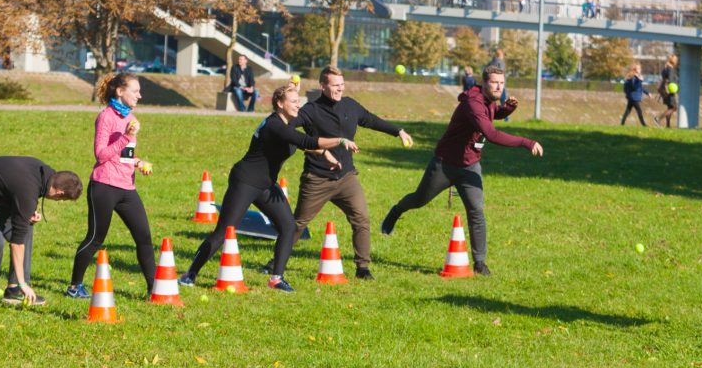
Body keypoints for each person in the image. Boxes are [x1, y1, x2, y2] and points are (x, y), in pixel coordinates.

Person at [178, 86, 355, 292]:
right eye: (293, 101)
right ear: (280, 104)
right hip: (245, 181)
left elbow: (300, 144)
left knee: (288, 227)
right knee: (224, 231)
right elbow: (305, 140)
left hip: (266, 185)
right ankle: (189, 274)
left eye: (299, 100)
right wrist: (340, 141)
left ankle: (276, 278)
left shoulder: (284, 125)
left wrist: (324, 153)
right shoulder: (275, 125)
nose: (299, 104)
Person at [381, 65, 543, 275]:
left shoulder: (489, 101)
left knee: (476, 211)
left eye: (502, 83)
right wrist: (526, 142)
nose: (498, 87)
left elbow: (493, 114)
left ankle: (479, 263)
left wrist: (508, 109)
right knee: (419, 199)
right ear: (484, 82)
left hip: (470, 166)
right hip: (445, 163)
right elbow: (490, 133)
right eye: (494, 82)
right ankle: (396, 211)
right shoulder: (473, 103)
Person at [274, 66, 413, 281]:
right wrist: (289, 99)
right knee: (298, 223)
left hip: (346, 177)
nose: (340, 89)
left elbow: (372, 120)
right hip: (317, 178)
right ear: (322, 86)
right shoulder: (310, 110)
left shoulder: (350, 105)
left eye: (342, 85)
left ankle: (363, 268)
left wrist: (398, 131)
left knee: (361, 219)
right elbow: (283, 126)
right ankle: (275, 264)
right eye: (335, 85)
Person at [0, 157, 82, 307]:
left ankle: (14, 290)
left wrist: (26, 213)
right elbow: (16, 243)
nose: (60, 202)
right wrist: (24, 283)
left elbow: (15, 190)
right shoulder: (28, 188)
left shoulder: (47, 175)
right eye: (62, 199)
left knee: (26, 228)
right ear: (59, 193)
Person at [66, 73, 156, 299]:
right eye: (135, 91)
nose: (140, 95)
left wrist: (138, 162)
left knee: (144, 237)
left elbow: (124, 155)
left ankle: (154, 289)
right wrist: (126, 137)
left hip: (127, 188)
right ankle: (74, 286)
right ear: (120, 91)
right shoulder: (106, 117)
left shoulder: (130, 118)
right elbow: (101, 154)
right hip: (104, 186)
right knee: (96, 238)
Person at [654, 54, 679, 128]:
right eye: (676, 60)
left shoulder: (665, 67)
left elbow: (664, 78)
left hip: (664, 90)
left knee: (669, 107)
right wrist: (674, 88)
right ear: (674, 61)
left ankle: (668, 126)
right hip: (669, 91)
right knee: (674, 108)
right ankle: (658, 119)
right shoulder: (671, 69)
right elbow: (671, 81)